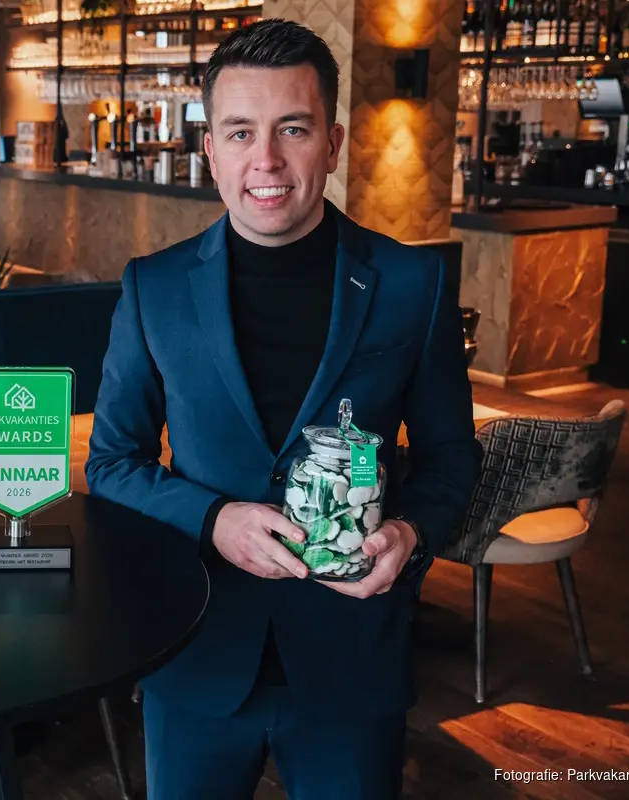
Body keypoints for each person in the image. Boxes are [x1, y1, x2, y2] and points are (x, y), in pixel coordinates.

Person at [84, 18, 483, 800]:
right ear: (210, 150)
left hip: (352, 657)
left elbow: (450, 457)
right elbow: (113, 463)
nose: (264, 159)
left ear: (332, 144)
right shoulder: (153, 288)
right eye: (240, 132)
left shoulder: (413, 284)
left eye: (292, 129)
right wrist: (213, 520)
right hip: (194, 648)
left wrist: (409, 534)